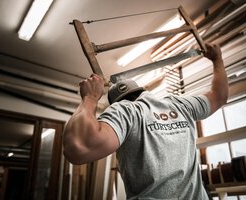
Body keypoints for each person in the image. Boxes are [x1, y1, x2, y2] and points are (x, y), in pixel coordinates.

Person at [63, 43, 228, 200]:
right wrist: (217, 59)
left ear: (117, 102)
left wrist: (90, 98)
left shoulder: (125, 111)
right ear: (142, 91)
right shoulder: (180, 105)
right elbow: (219, 96)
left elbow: (79, 148)